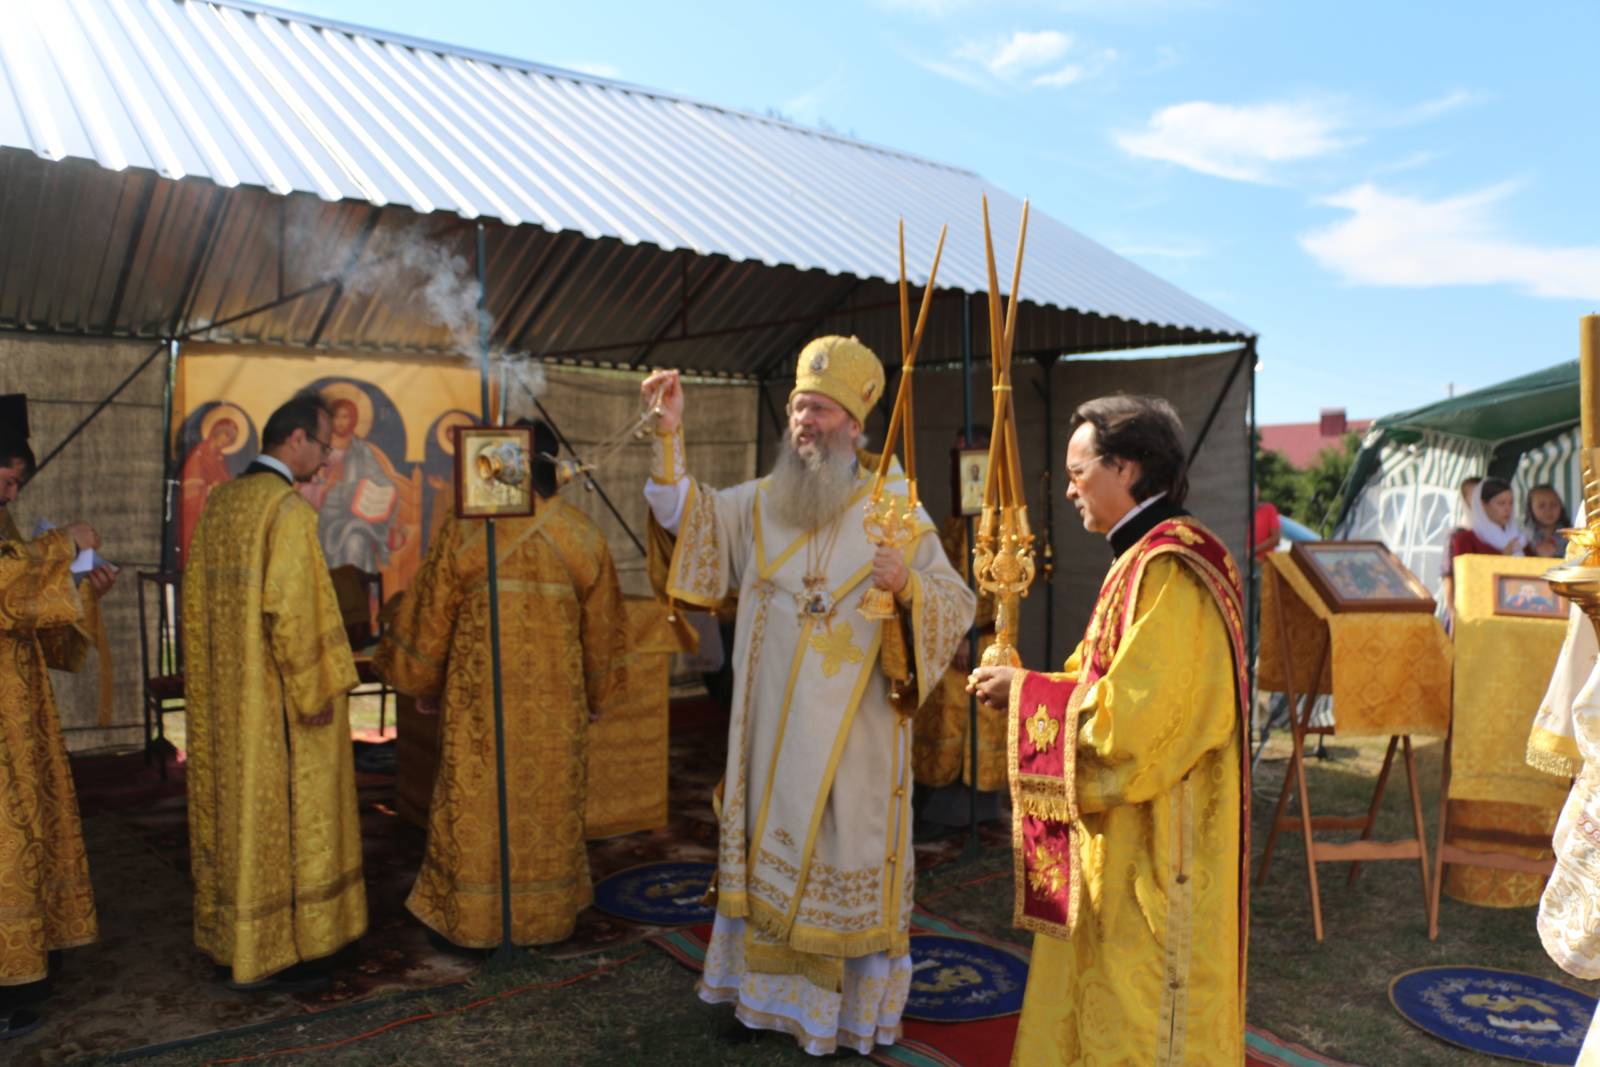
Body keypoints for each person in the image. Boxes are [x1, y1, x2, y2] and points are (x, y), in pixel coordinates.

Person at [640, 337, 975, 1057]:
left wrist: (908, 585)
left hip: (858, 733)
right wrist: (669, 434)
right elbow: (686, 520)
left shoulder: (896, 508)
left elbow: (957, 601)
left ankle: (844, 1018)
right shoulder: (762, 503)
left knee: (845, 849)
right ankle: (757, 1001)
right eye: (798, 406)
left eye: (819, 408)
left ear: (855, 424)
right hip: (770, 730)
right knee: (770, 844)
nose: (804, 420)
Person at [968, 394, 1248, 1065]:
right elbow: (1101, 685)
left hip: (1159, 845)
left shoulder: (1172, 568)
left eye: (1078, 470)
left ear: (1127, 467)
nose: (1067, 489)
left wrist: (1030, 694)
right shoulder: (1141, 558)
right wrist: (1029, 690)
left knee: (1141, 1012)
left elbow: (1138, 726)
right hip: (1123, 840)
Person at [373, 418, 629, 949]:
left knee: (478, 805)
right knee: (547, 810)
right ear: (552, 467)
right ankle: (546, 917)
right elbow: (603, 629)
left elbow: (430, 614)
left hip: (479, 709)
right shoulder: (580, 533)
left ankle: (473, 920)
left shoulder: (468, 529)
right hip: (554, 714)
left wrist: (423, 681)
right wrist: (598, 697)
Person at [183, 390, 366, 989]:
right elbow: (295, 611)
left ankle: (237, 938)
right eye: (323, 443)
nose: (327, 456)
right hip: (277, 701)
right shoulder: (284, 510)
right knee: (288, 815)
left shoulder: (223, 502)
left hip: (228, 697)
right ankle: (298, 942)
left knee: (240, 817)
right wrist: (314, 693)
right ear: (295, 440)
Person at [0, 400, 115, 1040]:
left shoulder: (5, 522)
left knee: (27, 829)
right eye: (7, 479)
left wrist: (81, 588)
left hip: (20, 708)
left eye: (17, 484)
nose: (11, 493)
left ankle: (29, 964)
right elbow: (9, 589)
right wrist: (63, 543)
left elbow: (33, 611)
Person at [1442, 477, 1522, 619]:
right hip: (1478, 616)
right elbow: (1464, 579)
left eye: (1510, 503)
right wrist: (1503, 558)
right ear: (1483, 505)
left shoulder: (1521, 538)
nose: (1507, 509)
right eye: (1501, 503)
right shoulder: (1465, 539)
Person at [179, 415, 239, 566]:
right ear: (216, 432)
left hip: (214, 512)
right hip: (197, 512)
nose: (227, 441)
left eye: (231, 440)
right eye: (226, 435)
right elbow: (190, 486)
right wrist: (211, 488)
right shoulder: (200, 453)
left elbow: (225, 481)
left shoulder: (219, 458)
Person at [1523, 483, 1570, 559]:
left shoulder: (1570, 536)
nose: (1548, 510)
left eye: (1553, 504)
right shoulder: (1523, 536)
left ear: (1561, 506)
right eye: (1541, 506)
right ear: (1530, 509)